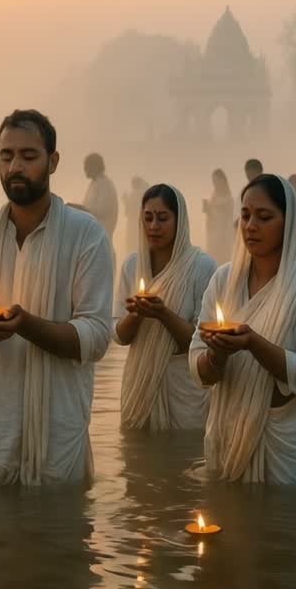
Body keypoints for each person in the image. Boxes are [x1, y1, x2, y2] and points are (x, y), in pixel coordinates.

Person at [0, 109, 114, 486]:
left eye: (28, 156)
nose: (15, 166)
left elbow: (97, 336)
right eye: (7, 156)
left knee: (56, 538)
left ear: (53, 161)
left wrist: (27, 325)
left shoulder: (86, 235)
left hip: (56, 435)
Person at [190, 174, 296, 484]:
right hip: (228, 434)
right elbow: (197, 364)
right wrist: (217, 355)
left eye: (264, 217)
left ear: (289, 222)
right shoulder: (223, 280)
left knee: (284, 530)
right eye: (245, 215)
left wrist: (254, 343)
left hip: (287, 448)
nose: (251, 225)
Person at [113, 184, 217, 430]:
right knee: (137, 459)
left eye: (162, 218)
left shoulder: (202, 267)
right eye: (147, 218)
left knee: (183, 457)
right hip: (138, 383)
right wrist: (136, 315)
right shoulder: (132, 265)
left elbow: (204, 341)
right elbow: (118, 335)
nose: (153, 226)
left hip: (183, 389)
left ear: (180, 222)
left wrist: (163, 314)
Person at [79, 151, 119, 239]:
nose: (85, 169)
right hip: (92, 234)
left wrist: (79, 209)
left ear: (94, 167)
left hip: (101, 236)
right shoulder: (95, 183)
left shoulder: (104, 184)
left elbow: (102, 210)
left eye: (87, 166)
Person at [202, 168, 235, 263]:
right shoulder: (214, 196)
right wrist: (208, 209)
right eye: (214, 181)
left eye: (217, 181)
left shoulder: (228, 198)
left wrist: (215, 209)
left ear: (223, 181)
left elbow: (229, 216)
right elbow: (213, 215)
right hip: (214, 235)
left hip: (223, 235)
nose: (215, 183)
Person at [122, 175, 148, 257]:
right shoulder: (142, 192)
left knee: (133, 243)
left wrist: (125, 199)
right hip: (137, 223)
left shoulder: (137, 193)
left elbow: (129, 210)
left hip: (134, 223)